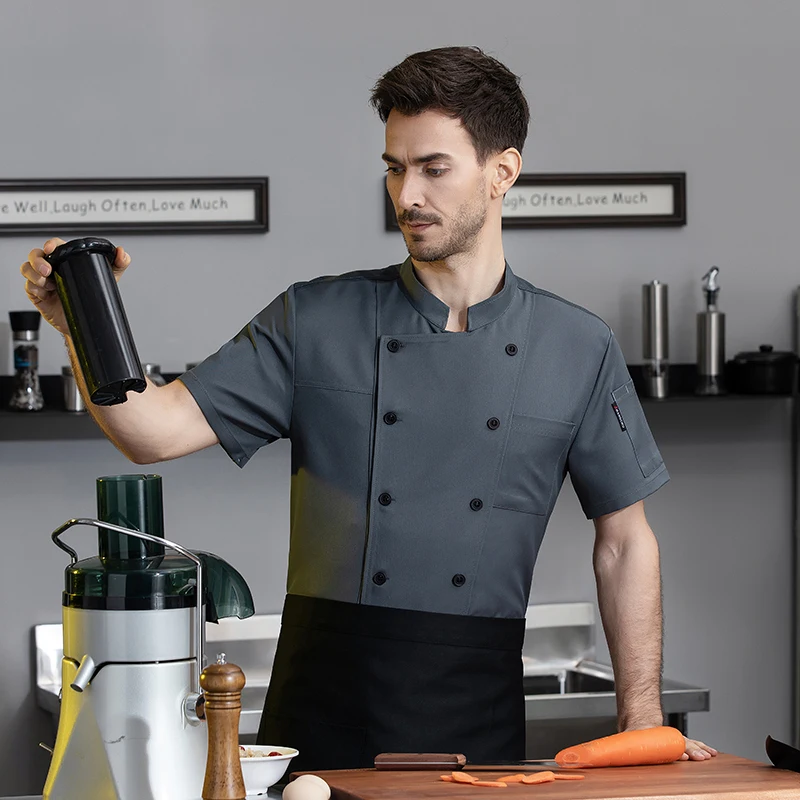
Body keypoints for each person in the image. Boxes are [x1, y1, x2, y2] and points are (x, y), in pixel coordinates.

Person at [21, 45, 716, 770]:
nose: (406, 194)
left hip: (473, 722)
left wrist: (643, 725)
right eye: (394, 167)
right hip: (320, 712)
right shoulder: (316, 318)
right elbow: (151, 432)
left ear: (502, 171)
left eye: (433, 168)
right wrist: (78, 326)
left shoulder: (575, 344)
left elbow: (626, 542)